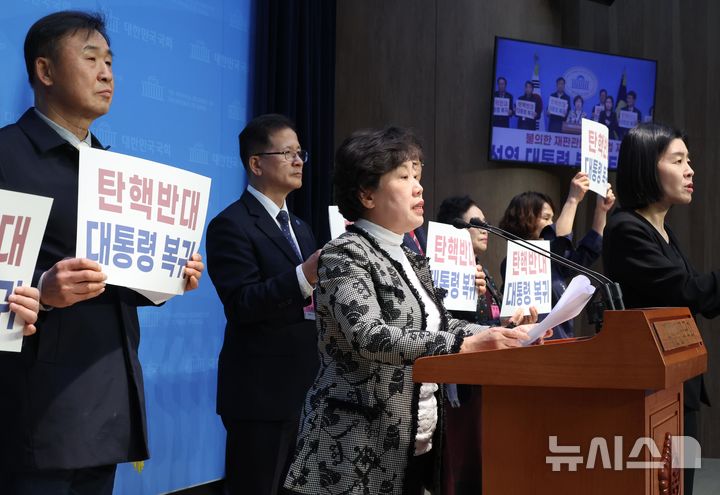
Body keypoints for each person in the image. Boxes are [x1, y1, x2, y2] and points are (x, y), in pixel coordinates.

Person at [0, 11, 204, 495]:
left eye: (110, 61)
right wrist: (43, 290)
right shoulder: (7, 155)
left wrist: (169, 274)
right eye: (90, 59)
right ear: (45, 71)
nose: (106, 73)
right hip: (33, 407)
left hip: (109, 398)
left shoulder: (120, 176)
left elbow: (118, 283)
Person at [283, 127, 542, 495]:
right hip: (353, 447)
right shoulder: (345, 253)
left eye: (417, 177)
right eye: (404, 177)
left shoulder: (410, 258)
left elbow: (442, 324)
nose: (418, 188)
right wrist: (463, 345)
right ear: (366, 194)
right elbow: (369, 336)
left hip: (413, 445)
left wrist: (498, 333)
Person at [206, 113, 321, 495]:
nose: (298, 161)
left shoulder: (301, 227)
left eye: (300, 153)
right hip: (260, 395)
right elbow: (242, 303)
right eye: (287, 153)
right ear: (256, 164)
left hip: (305, 387)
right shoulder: (231, 224)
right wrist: (303, 275)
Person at [602, 123, 712, 495]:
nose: (690, 170)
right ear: (646, 167)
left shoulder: (662, 229)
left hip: (677, 383)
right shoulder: (626, 229)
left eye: (688, 161)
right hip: (652, 389)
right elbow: (686, 290)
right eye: (678, 161)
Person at [435, 195, 538, 495]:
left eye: (486, 223)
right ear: (455, 228)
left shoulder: (483, 271)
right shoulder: (441, 274)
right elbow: (447, 324)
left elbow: (491, 325)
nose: (485, 229)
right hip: (461, 388)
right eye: (477, 223)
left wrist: (515, 324)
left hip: (489, 382)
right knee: (465, 470)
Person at [499, 172, 615, 339]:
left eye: (552, 219)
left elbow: (588, 251)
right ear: (524, 219)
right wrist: (573, 200)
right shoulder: (515, 262)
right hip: (535, 345)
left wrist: (601, 210)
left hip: (561, 342)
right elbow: (558, 241)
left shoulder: (553, 261)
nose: (551, 224)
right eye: (546, 218)